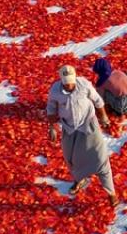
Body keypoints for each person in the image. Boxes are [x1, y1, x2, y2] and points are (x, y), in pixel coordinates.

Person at [46, 64, 118, 205]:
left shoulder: (84, 85)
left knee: (100, 157)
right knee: (71, 158)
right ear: (61, 81)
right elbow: (51, 109)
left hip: (88, 124)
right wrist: (52, 127)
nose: (69, 86)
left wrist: (103, 117)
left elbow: (98, 101)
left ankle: (111, 193)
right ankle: (80, 180)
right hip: (69, 127)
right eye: (66, 85)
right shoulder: (55, 90)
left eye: (71, 83)